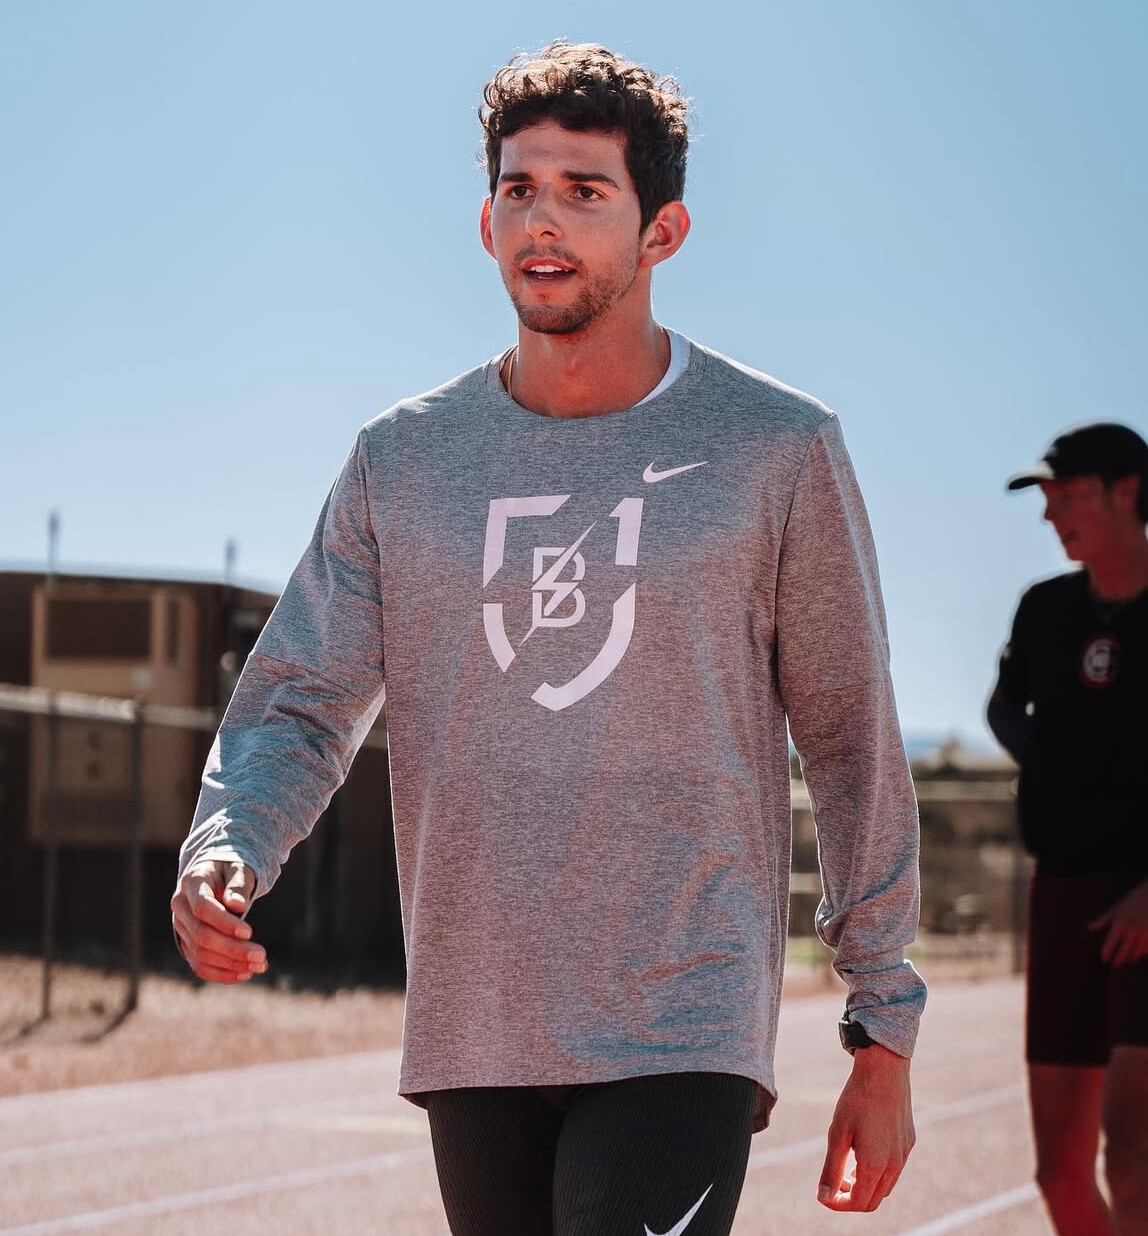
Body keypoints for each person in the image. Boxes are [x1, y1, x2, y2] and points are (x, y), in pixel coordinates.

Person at [172, 40, 924, 1235]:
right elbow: (304, 695)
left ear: (660, 231)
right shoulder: (400, 460)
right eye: (519, 188)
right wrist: (231, 840)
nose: (543, 220)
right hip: (474, 1017)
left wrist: (880, 1024)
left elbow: (848, 738)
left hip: (681, 1013)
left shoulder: (773, 448)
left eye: (583, 191)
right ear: (484, 222)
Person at [988, 422, 1148, 1236]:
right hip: (1062, 894)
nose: (1051, 514)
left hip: (1144, 904)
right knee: (1060, 1175)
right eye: (1046, 498)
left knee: (1134, 1157)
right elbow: (1003, 706)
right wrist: (1052, 762)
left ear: (1128, 493)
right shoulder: (1045, 609)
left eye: (1068, 494)